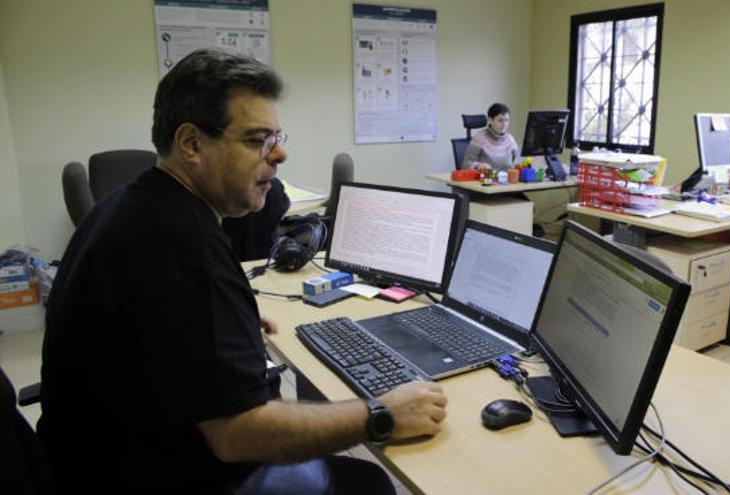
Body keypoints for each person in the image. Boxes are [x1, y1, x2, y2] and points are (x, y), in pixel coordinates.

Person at [39, 49, 447, 495]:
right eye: (258, 140)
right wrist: (382, 414)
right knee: (369, 484)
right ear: (191, 143)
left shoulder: (133, 207)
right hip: (143, 476)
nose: (281, 154)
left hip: (92, 459)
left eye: (277, 136)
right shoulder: (182, 243)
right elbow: (238, 435)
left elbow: (150, 324)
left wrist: (219, 321)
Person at [462, 102, 519, 170]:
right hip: (486, 179)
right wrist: (477, 165)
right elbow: (465, 166)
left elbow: (516, 164)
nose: (504, 124)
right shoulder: (479, 138)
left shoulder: (510, 139)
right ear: (490, 120)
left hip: (507, 179)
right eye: (500, 121)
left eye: (506, 120)